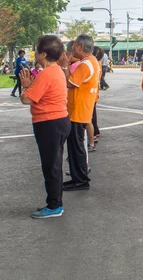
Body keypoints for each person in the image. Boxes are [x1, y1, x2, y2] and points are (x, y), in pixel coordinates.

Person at [19, 35, 71, 218]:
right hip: (58, 121)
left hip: (50, 123)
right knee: (53, 164)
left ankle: (54, 205)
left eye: (37, 50)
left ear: (43, 53)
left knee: (51, 166)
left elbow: (27, 99)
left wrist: (25, 87)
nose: (35, 54)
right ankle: (54, 203)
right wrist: (31, 85)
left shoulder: (47, 73)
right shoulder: (54, 70)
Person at [61, 34, 101, 191]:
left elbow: (69, 83)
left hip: (78, 110)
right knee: (75, 146)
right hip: (80, 109)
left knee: (76, 146)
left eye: (75, 45)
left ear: (81, 46)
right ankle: (78, 177)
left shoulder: (85, 65)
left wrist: (64, 66)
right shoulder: (89, 62)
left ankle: (81, 180)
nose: (73, 48)